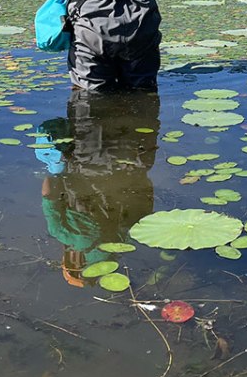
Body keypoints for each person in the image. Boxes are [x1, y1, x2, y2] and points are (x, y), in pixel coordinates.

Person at [36, 90, 160, 287]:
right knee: (86, 103)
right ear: (72, 260)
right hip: (84, 163)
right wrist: (54, 169)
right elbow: (48, 192)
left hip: (128, 158)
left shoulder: (126, 239)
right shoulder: (63, 234)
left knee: (130, 103)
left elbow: (147, 196)